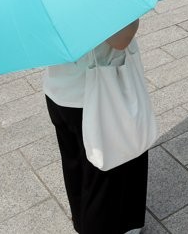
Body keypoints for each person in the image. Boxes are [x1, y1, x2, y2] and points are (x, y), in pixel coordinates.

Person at [44, 20, 149, 233]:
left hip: (59, 88)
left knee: (76, 166)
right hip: (95, 94)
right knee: (106, 176)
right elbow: (121, 39)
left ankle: (83, 223)